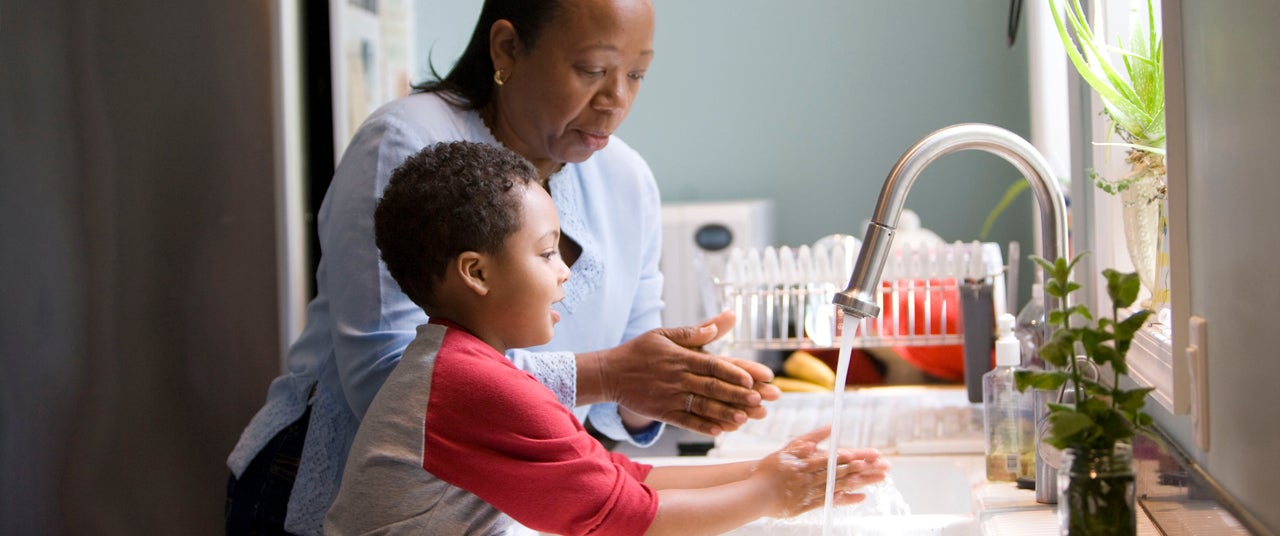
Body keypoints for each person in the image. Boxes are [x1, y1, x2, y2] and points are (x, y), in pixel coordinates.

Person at [225, 1, 781, 534]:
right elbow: (388, 382)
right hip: (319, 493)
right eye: (593, 69)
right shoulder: (406, 141)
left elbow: (621, 402)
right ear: (507, 48)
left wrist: (678, 386)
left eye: (637, 75)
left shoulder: (629, 180)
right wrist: (611, 374)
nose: (616, 99)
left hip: (490, 510)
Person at [324, 140, 889, 535]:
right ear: (476, 272)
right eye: (547, 253)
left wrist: (761, 470)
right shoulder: (467, 383)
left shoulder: (465, 366)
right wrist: (771, 495)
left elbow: (620, 476)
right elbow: (624, 518)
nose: (565, 270)